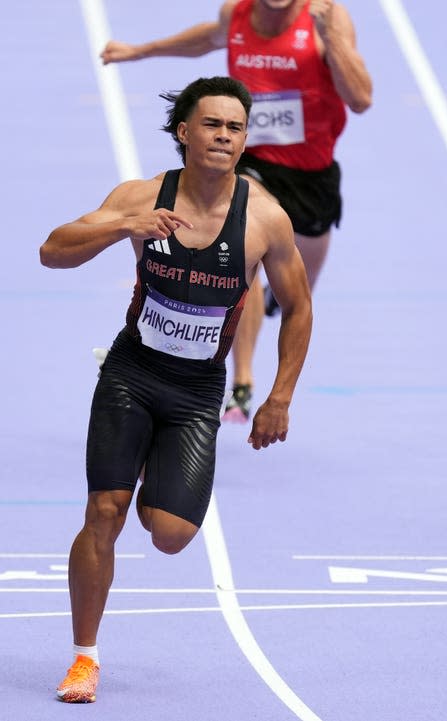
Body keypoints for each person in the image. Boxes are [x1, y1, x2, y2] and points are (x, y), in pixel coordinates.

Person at [40, 76, 312, 703]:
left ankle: (152, 492)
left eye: (234, 127)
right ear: (184, 132)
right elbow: (52, 251)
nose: (222, 136)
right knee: (101, 513)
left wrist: (279, 396)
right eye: (211, 124)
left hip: (195, 392)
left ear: (245, 140)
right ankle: (84, 659)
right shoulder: (141, 196)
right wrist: (123, 226)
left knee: (170, 535)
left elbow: (298, 308)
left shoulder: (264, 218)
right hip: (131, 373)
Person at [101, 0, 372, 422]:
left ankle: (266, 305)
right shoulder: (237, 13)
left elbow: (360, 99)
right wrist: (141, 50)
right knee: (239, 264)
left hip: (312, 173)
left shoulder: (326, 18)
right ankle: (242, 382)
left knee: (297, 293)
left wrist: (331, 38)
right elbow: (206, 38)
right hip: (252, 162)